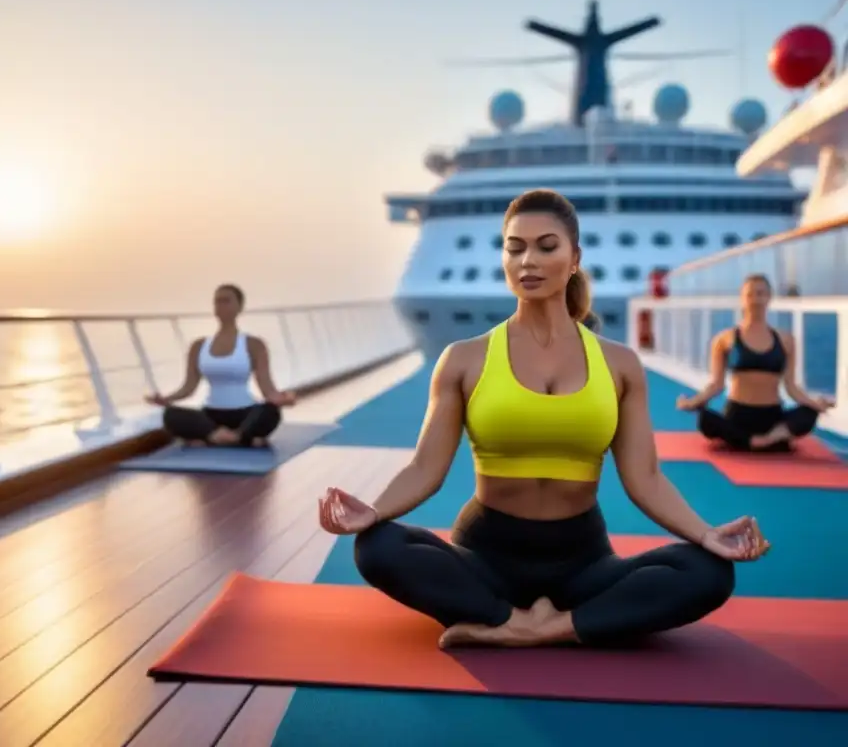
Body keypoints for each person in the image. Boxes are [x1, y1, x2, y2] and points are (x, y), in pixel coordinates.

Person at [318, 189, 770, 650]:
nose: (527, 260)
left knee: (709, 572)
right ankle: (535, 621)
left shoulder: (619, 364)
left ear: (574, 257)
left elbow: (646, 479)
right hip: (485, 553)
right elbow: (424, 470)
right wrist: (373, 513)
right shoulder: (464, 359)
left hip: (582, 561)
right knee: (376, 547)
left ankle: (536, 626)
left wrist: (706, 534)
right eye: (515, 248)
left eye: (546, 246)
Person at [676, 274, 834, 452]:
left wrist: (815, 404)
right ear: (742, 299)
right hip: (737, 414)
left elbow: (791, 387)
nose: (755, 299)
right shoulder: (724, 339)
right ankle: (760, 441)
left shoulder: (786, 340)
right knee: (704, 419)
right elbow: (716, 384)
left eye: (760, 293)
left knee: (808, 414)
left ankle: (757, 440)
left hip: (772, 415)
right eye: (750, 294)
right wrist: (693, 402)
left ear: (769, 297)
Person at [145, 284, 296, 447]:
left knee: (270, 411)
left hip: (245, 413)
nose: (220, 305)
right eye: (217, 301)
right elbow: (188, 387)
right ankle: (236, 437)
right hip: (211, 416)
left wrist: (285, 398)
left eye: (226, 301)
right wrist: (165, 399)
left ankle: (224, 436)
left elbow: (268, 390)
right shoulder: (198, 346)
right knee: (171, 415)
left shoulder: (254, 344)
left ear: (240, 307)